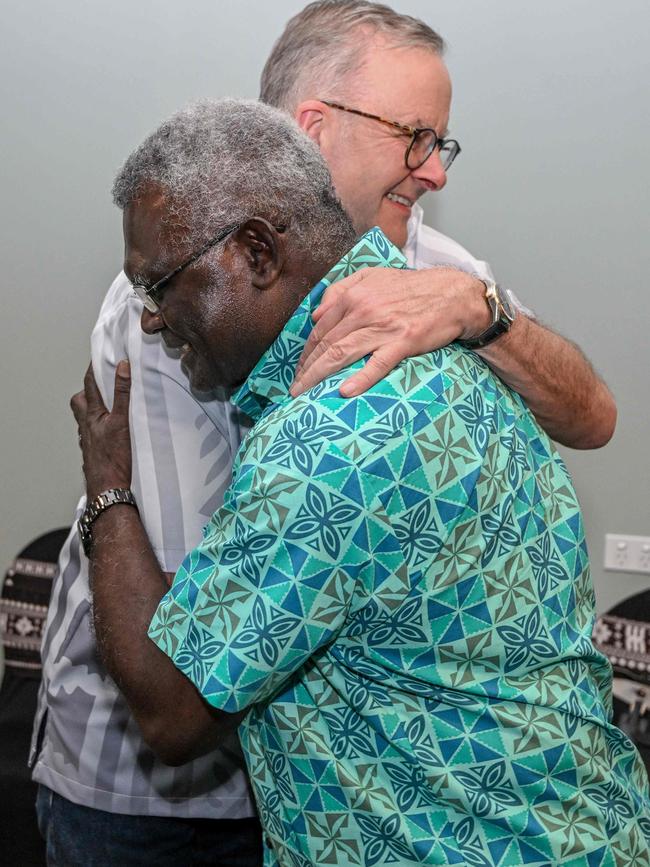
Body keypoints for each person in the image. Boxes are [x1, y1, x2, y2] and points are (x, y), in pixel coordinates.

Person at [33, 2, 617, 861]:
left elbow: (593, 415)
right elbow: (197, 636)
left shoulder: (438, 285)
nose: (435, 171)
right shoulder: (170, 292)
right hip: (163, 798)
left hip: (401, 804)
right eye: (416, 136)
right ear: (313, 128)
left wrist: (481, 311)